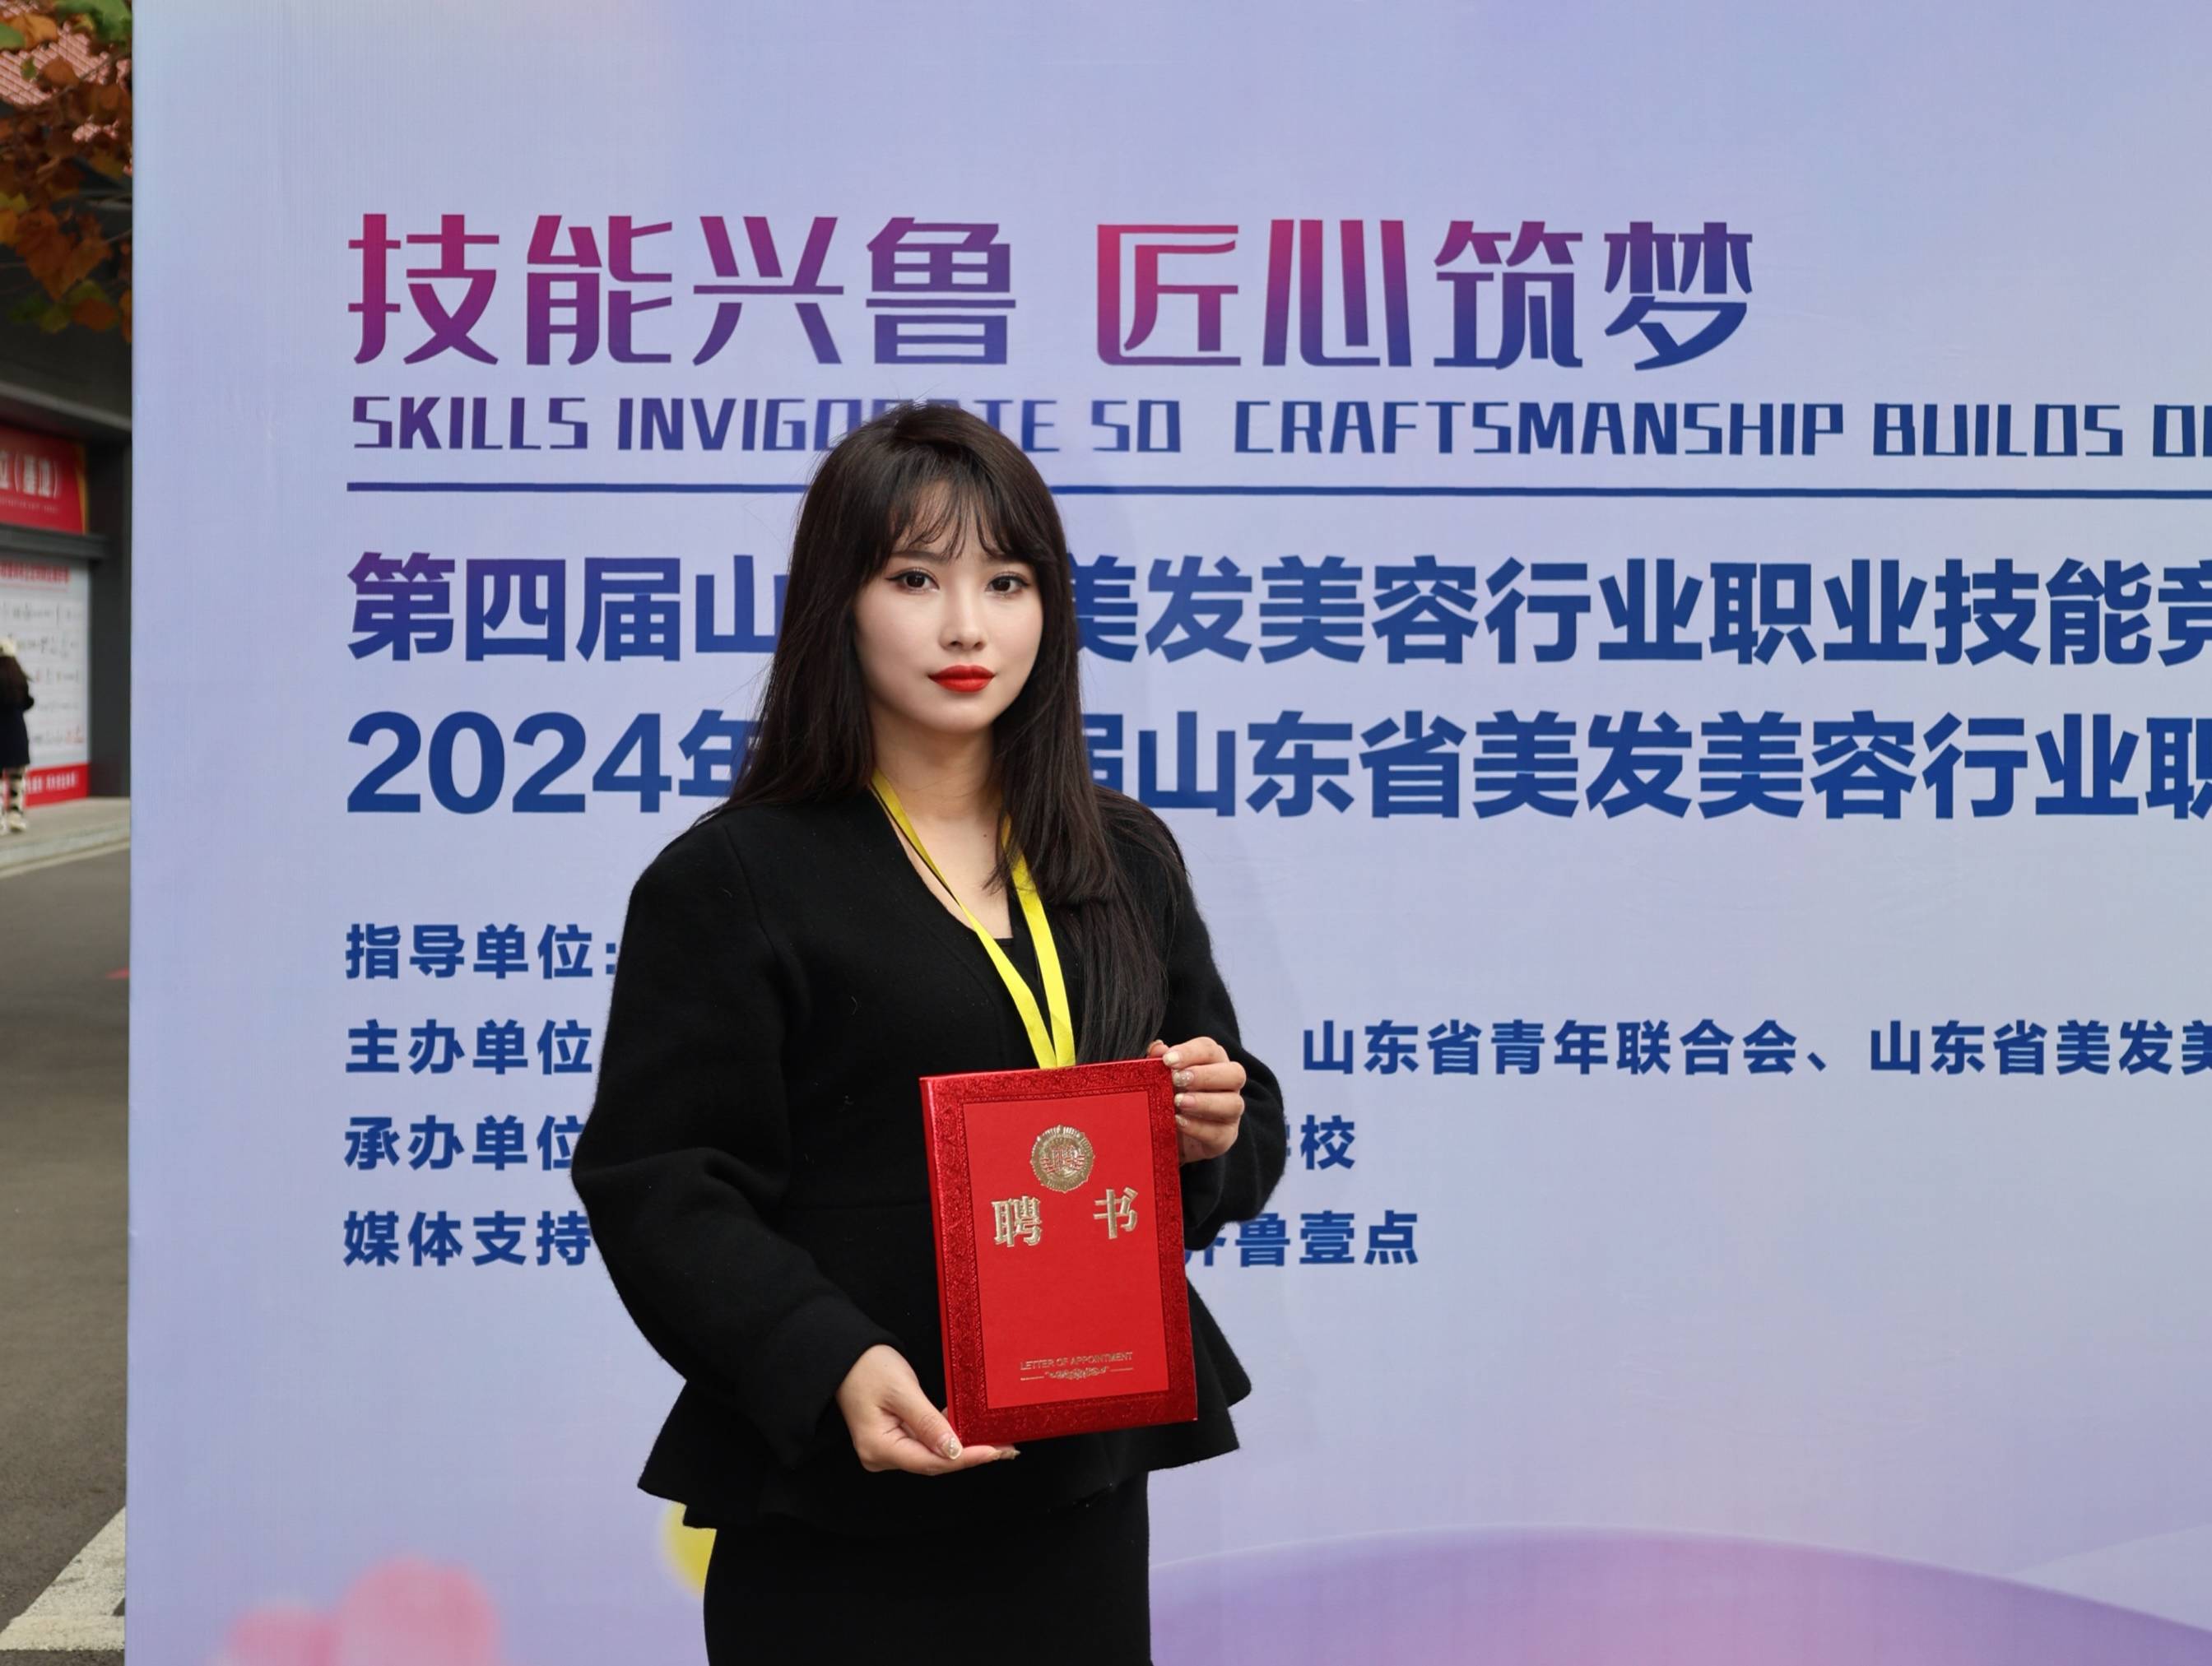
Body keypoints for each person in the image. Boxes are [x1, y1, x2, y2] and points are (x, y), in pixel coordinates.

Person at [569, 401, 1287, 1665]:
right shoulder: (735, 878)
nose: (968, 625)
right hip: (841, 1494)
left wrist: (1209, 1127)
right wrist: (831, 1360)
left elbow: (1238, 1123)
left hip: (1075, 1484)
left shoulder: (1120, 856)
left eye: (1007, 581)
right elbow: (663, 1183)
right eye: (915, 578)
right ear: (838, 604)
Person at [0, 635, 33, 833]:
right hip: (17, 733)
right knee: (17, 778)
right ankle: (15, 815)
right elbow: (28, 702)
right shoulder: (19, 677)